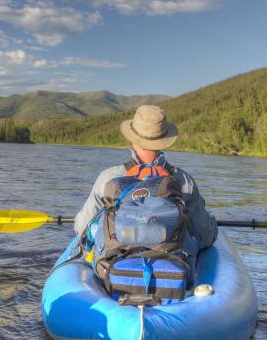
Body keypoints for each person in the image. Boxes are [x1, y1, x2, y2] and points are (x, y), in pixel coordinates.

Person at [74, 105, 218, 249]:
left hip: (116, 261)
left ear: (132, 140)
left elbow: (81, 227)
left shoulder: (108, 177)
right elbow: (205, 236)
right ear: (164, 141)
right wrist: (212, 224)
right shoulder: (184, 181)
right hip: (169, 261)